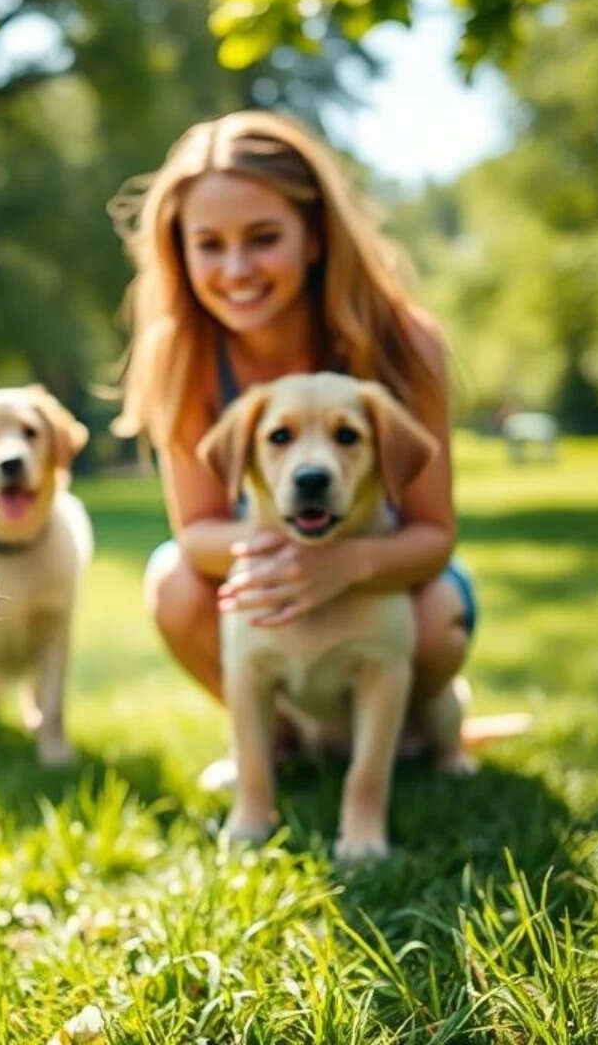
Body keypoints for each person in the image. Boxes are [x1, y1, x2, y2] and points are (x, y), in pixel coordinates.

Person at [105, 109, 477, 786]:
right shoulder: (183, 356)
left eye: (264, 237)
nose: (236, 268)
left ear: (314, 237)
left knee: (436, 618)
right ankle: (273, 741)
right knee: (175, 588)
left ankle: (398, 734)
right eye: (209, 244)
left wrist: (344, 560)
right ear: (179, 252)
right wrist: (293, 558)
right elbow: (198, 537)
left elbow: (434, 535)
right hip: (266, 564)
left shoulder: (402, 339)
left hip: (392, 575)